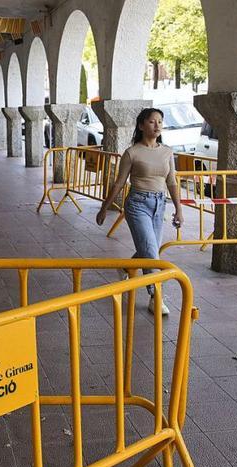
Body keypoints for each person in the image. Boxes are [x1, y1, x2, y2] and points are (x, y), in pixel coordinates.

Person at [95, 107, 184, 315]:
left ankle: (127, 267)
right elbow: (118, 183)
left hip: (159, 204)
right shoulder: (132, 153)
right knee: (152, 252)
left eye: (160, 121)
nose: (157, 125)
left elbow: (171, 182)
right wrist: (104, 208)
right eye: (152, 122)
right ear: (142, 125)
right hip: (137, 204)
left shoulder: (167, 152)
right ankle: (155, 295)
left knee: (149, 248)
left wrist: (179, 210)